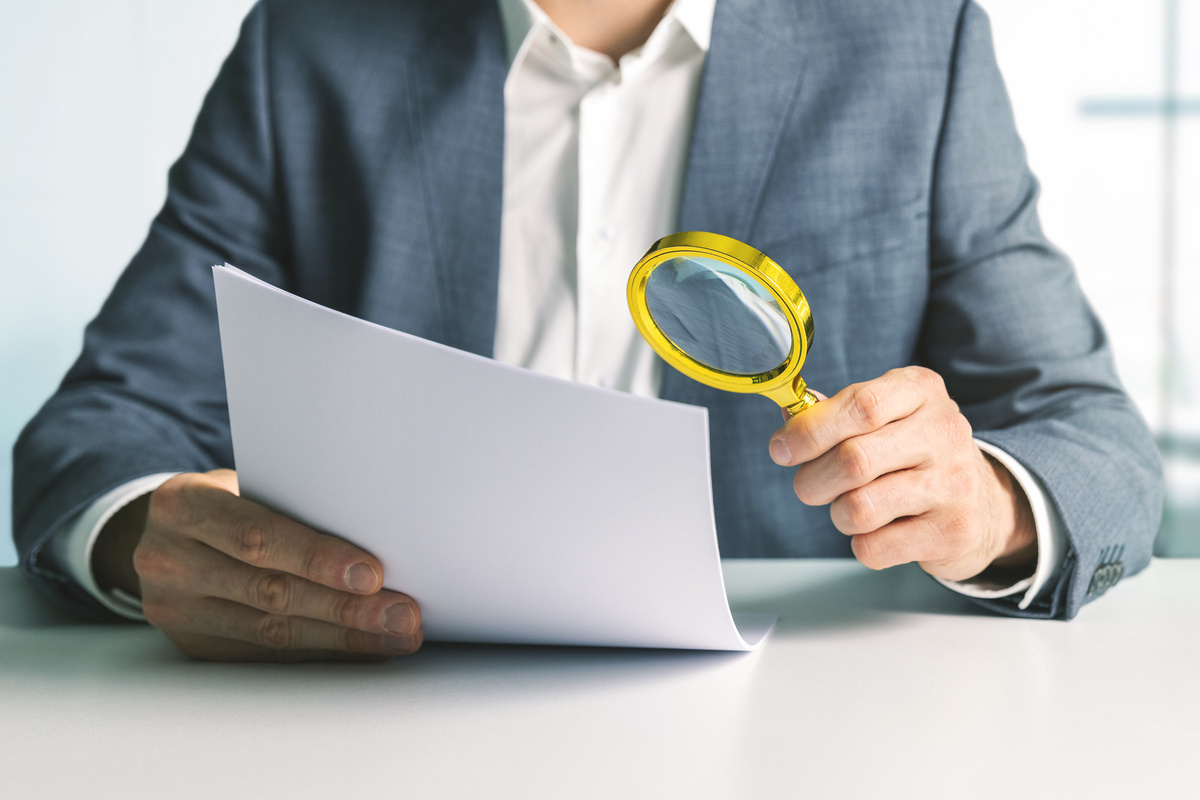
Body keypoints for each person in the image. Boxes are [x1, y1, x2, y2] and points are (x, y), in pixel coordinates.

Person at [12, 0, 1163, 661]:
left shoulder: (915, 39)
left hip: (804, 735)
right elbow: (101, 426)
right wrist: (141, 539)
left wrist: (993, 507)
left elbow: (1096, 443)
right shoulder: (310, 40)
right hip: (375, 716)